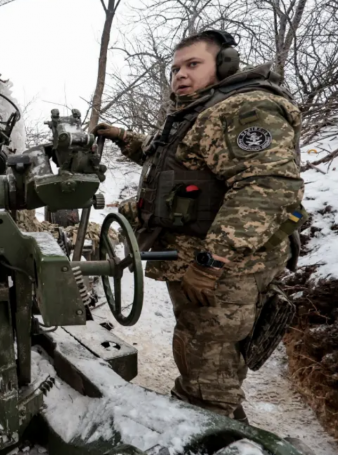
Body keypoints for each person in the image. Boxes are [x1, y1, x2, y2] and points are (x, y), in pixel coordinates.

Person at [94, 30, 305, 423]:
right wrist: (125, 138)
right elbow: (171, 159)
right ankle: (210, 418)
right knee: (200, 349)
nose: (180, 75)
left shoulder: (245, 110)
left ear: (224, 64)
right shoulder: (199, 112)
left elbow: (267, 188)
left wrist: (210, 263)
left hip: (226, 270)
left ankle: (211, 430)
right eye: (175, 68)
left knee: (210, 368)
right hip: (202, 262)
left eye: (193, 65)